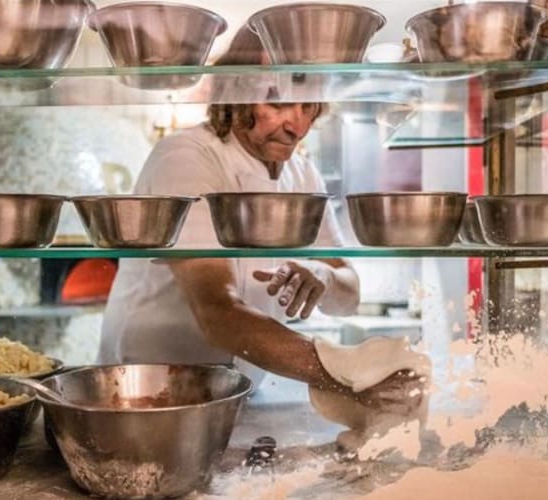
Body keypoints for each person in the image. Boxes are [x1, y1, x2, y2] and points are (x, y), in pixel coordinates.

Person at [99, 27, 424, 413]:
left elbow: (348, 296)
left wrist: (322, 276)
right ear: (236, 93)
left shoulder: (302, 175)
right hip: (150, 395)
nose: (296, 127)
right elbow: (218, 314)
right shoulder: (186, 158)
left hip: (238, 395)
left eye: (308, 107)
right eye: (279, 103)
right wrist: (344, 372)